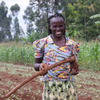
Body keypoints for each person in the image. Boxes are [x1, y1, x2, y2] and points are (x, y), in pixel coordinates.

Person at [33, 13, 79, 100]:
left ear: (64, 26)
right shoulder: (43, 43)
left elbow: (75, 66)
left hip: (68, 85)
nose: (58, 29)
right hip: (51, 86)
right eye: (55, 26)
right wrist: (40, 66)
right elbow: (36, 64)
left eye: (60, 26)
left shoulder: (72, 44)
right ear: (50, 26)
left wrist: (75, 70)